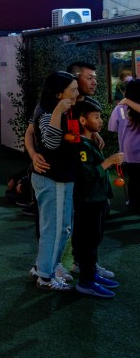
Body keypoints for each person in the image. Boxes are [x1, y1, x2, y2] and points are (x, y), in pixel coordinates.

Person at [69, 96, 122, 298]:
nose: (101, 121)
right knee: (88, 241)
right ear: (83, 121)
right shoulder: (80, 146)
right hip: (88, 201)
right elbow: (86, 175)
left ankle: (91, 274)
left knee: (94, 239)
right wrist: (108, 162)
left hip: (98, 200)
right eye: (97, 117)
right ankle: (86, 281)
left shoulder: (89, 141)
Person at [31, 71, 79, 291]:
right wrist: (58, 111)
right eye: (74, 89)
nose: (77, 93)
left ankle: (43, 268)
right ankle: (45, 276)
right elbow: (50, 143)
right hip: (52, 177)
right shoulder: (48, 112)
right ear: (59, 94)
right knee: (55, 228)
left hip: (62, 176)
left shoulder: (58, 108)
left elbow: (29, 134)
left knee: (63, 227)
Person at [111, 80, 140, 213]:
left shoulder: (120, 108)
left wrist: (126, 102)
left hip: (128, 151)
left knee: (133, 179)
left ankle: (133, 204)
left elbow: (112, 127)